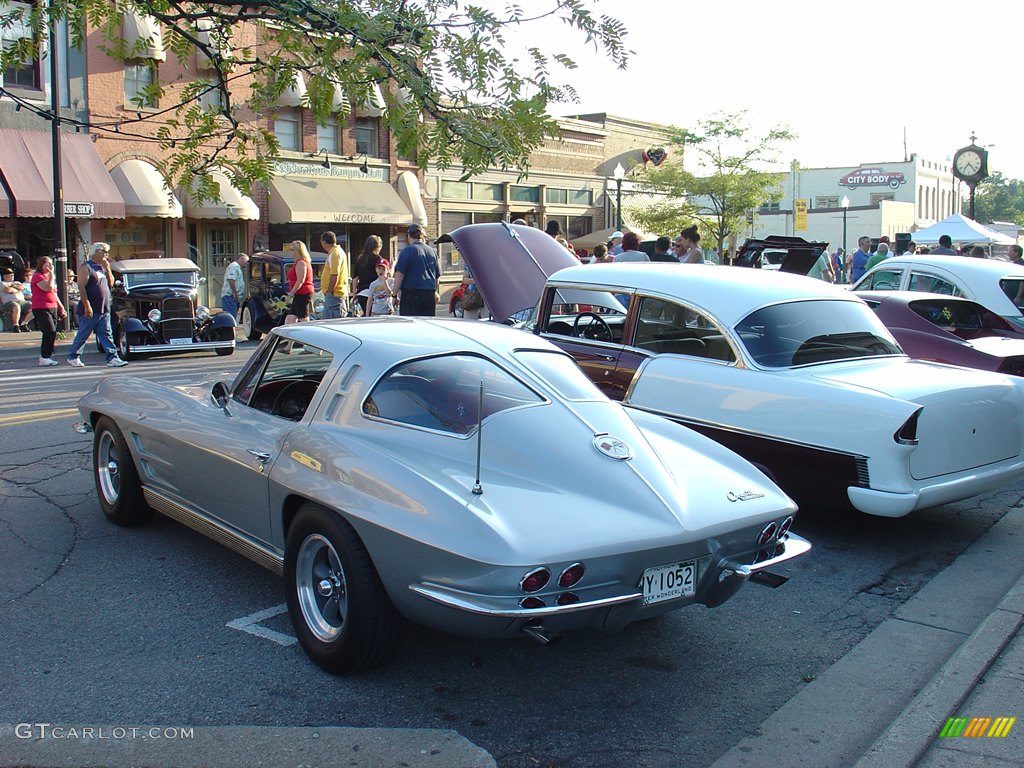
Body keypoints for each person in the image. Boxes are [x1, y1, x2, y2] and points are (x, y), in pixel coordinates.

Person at [66, 242, 126, 368]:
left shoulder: (102, 267)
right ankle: (73, 356)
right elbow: (81, 287)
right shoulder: (86, 267)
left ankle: (112, 357)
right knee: (84, 333)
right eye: (104, 251)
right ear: (96, 252)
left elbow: (111, 283)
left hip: (104, 307)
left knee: (106, 334)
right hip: (91, 308)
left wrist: (108, 268)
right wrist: (87, 305)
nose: (106, 255)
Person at [393, 223, 440, 316]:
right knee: (427, 324)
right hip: (429, 294)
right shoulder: (432, 252)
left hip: (411, 294)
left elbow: (399, 274)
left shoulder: (407, 251)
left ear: (409, 236)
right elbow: (437, 276)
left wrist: (394, 295)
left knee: (411, 325)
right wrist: (435, 291)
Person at [30, 255, 67, 366]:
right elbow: (48, 288)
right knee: (49, 330)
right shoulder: (38, 276)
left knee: (52, 332)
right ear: (41, 265)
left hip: (52, 306)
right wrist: (51, 275)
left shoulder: (49, 277)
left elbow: (53, 294)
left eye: (51, 263)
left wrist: (61, 307)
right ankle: (45, 356)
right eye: (47, 263)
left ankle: (47, 356)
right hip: (41, 307)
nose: (50, 266)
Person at [319, 231, 349, 319]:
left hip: (335, 295)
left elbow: (334, 274)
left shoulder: (335, 253)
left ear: (324, 242)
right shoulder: (337, 252)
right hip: (335, 294)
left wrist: (329, 292)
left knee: (332, 323)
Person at [284, 240, 315, 324]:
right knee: (290, 319)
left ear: (298, 250)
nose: (291, 252)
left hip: (303, 293)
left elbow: (300, 281)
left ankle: (308, 336)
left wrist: (290, 294)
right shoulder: (299, 262)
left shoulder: (301, 262)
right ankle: (289, 336)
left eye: (292, 250)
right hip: (299, 293)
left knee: (303, 319)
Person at [352, 235, 383, 315]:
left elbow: (355, 277)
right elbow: (382, 276)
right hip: (374, 293)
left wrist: (354, 292)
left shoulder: (360, 259)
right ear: (377, 247)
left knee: (365, 316)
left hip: (361, 292)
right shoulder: (378, 259)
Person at [1, 267, 31, 332]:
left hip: (22, 301)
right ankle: (16, 325)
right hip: (9, 303)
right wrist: (17, 289)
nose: (12, 276)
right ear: (4, 276)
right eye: (10, 275)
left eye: (13, 275)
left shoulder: (16, 282)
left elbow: (22, 287)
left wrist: (13, 286)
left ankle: (24, 324)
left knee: (33, 305)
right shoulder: (2, 283)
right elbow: (8, 290)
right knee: (16, 306)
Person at [220, 252, 248, 320]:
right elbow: (231, 279)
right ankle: (229, 330)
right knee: (230, 318)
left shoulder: (237, 267)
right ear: (241, 259)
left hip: (234, 297)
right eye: (246, 261)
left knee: (233, 317)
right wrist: (234, 293)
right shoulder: (234, 266)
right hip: (230, 296)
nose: (246, 263)